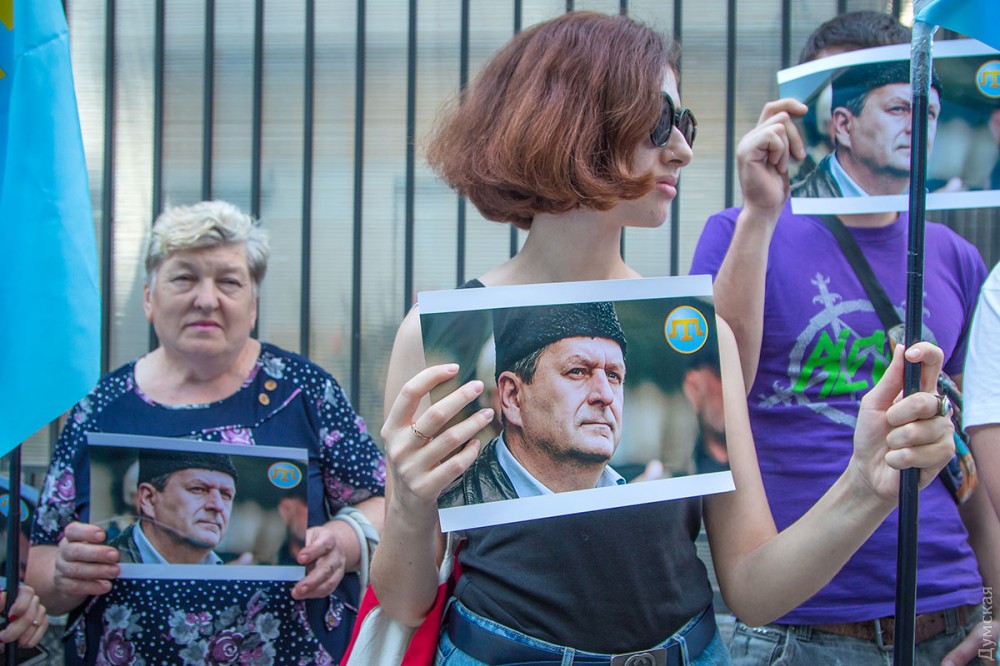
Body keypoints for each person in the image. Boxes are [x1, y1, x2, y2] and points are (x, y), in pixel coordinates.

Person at [370, 11, 956, 666]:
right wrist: (410, 506)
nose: (681, 149)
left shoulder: (699, 331)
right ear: (568, 121)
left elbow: (754, 588)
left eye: (685, 125)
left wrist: (867, 485)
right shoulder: (436, 339)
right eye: (658, 122)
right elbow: (403, 602)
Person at [690, 10, 994, 665]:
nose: (916, 124)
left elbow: (965, 449)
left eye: (925, 107)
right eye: (895, 106)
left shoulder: (955, 255)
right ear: (836, 121)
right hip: (802, 629)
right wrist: (760, 214)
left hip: (953, 616)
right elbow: (720, 391)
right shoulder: (739, 232)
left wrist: (997, 613)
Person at [27, 200, 386, 665]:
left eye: (229, 282)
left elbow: (385, 503)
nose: (206, 299)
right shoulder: (100, 407)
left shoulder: (305, 391)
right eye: (184, 278)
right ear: (148, 298)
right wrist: (63, 575)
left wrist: (344, 540)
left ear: (252, 305)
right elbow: (41, 565)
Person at [439, 301, 628, 507]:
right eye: (577, 371)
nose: (606, 395)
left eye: (613, 376)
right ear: (513, 396)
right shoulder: (447, 517)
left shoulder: (637, 502)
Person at [792, 59, 943, 198]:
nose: (917, 129)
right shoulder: (789, 206)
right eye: (897, 109)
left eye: (928, 113)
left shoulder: (936, 205)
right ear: (844, 125)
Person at [108, 450, 239, 565]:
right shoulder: (102, 569)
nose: (218, 506)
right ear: (149, 499)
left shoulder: (236, 576)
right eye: (198, 489)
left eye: (226, 495)